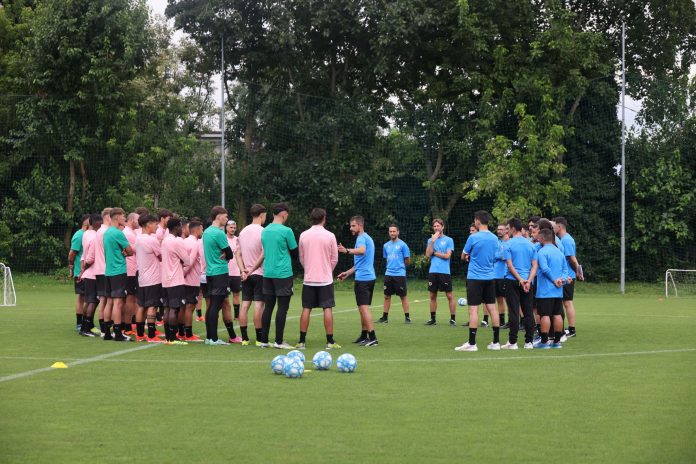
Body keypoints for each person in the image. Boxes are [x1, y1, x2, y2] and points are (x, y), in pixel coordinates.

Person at [296, 208, 340, 349]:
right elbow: (334, 258)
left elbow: (301, 258)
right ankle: (330, 342)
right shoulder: (330, 235)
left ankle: (302, 341)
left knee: (306, 308)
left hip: (309, 279)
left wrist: (308, 269)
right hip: (325, 279)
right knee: (327, 308)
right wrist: (327, 270)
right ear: (324, 218)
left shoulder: (303, 235)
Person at [456, 210, 500, 352]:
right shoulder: (494, 238)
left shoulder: (473, 238)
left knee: (473, 309)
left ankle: (472, 343)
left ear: (477, 221)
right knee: (492, 309)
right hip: (490, 277)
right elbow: (495, 256)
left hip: (475, 278)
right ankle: (496, 342)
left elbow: (463, 256)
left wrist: (469, 257)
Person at [254, 203, 297, 349]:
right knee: (282, 308)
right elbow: (295, 252)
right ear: (284, 214)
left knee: (269, 307)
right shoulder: (287, 231)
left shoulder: (265, 231)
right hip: (283, 274)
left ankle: (264, 340)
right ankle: (279, 341)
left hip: (268, 274)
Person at [338, 215, 378, 346]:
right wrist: (348, 273)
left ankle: (372, 338)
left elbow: (361, 251)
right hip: (368, 277)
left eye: (353, 225)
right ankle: (364, 336)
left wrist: (346, 250)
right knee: (362, 308)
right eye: (351, 225)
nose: (351, 228)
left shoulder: (361, 238)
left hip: (363, 279)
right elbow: (361, 262)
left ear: (360, 226)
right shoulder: (367, 238)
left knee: (364, 308)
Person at [202, 206, 239, 346]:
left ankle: (209, 337)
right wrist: (226, 254)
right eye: (225, 216)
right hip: (219, 273)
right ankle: (214, 338)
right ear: (218, 216)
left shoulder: (206, 232)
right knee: (215, 306)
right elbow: (229, 253)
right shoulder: (218, 233)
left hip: (210, 273)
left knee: (212, 305)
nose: (227, 219)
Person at [501, 218, 537, 349]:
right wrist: (528, 280)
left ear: (512, 228)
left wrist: (520, 280)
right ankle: (529, 342)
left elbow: (510, 266)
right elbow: (534, 266)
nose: (506, 230)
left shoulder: (508, 244)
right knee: (528, 312)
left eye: (507, 228)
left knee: (514, 311)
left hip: (512, 281)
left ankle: (513, 342)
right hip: (528, 282)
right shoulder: (531, 244)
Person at [534, 228, 569, 348]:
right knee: (557, 314)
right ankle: (557, 341)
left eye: (539, 237)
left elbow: (544, 268)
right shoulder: (559, 252)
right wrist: (562, 280)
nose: (537, 239)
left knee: (544, 315)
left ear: (543, 238)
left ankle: (544, 342)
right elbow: (565, 270)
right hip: (558, 290)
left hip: (545, 290)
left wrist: (554, 280)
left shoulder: (542, 252)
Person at [103, 207, 134, 342]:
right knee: (118, 302)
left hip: (109, 270)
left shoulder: (107, 232)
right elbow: (130, 251)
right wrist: (126, 252)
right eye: (123, 216)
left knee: (109, 301)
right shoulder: (117, 233)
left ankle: (107, 332)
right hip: (118, 271)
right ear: (117, 217)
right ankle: (118, 332)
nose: (124, 219)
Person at [238, 204, 267, 346]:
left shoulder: (243, 231)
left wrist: (243, 270)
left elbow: (238, 253)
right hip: (258, 273)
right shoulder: (263, 231)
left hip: (246, 274)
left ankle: (244, 338)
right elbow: (263, 254)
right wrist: (252, 269)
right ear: (262, 215)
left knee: (245, 305)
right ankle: (259, 338)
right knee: (258, 305)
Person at [160, 217, 191, 345]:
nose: (182, 230)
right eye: (180, 227)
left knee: (167, 308)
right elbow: (188, 261)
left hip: (165, 279)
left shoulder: (165, 240)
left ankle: (168, 337)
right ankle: (173, 338)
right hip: (176, 279)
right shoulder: (176, 242)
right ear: (177, 227)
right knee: (175, 309)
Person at [134, 214, 164, 343]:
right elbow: (161, 256)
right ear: (148, 225)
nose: (157, 226)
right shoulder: (152, 240)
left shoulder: (138, 238)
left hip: (142, 277)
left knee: (141, 306)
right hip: (153, 278)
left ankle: (140, 335)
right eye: (155, 223)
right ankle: (151, 335)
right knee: (153, 306)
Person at [553, 216, 583, 338]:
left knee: (567, 303)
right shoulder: (564, 239)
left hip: (568, 276)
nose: (552, 228)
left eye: (554, 226)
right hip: (566, 275)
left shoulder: (565, 240)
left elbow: (571, 258)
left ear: (559, 227)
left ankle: (571, 330)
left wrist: (578, 271)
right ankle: (566, 328)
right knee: (564, 302)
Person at [424, 218, 456, 326]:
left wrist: (435, 253)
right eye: (435, 226)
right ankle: (433, 319)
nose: (436, 228)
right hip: (433, 271)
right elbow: (428, 254)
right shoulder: (430, 240)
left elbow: (447, 256)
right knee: (432, 296)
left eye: (438, 226)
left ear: (442, 227)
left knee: (449, 296)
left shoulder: (449, 240)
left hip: (444, 272)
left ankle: (452, 319)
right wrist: (432, 241)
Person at [378, 224, 411, 324]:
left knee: (403, 296)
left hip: (400, 274)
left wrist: (400, 267)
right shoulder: (385, 245)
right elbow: (386, 259)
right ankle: (384, 317)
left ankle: (407, 317)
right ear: (389, 233)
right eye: (390, 231)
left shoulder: (403, 245)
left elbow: (408, 260)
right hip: (388, 274)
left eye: (394, 231)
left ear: (398, 232)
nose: (392, 233)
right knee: (386, 296)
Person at [77, 214, 102, 337]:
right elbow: (90, 258)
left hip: (88, 273)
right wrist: (83, 270)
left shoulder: (86, 234)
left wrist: (82, 269)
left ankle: (85, 326)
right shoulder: (94, 237)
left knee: (89, 301)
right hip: (93, 273)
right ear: (97, 223)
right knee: (93, 301)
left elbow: (84, 255)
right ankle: (86, 328)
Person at [180, 219, 203, 342]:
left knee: (183, 307)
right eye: (202, 229)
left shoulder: (184, 241)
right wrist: (182, 274)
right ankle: (188, 334)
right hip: (191, 280)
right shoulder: (195, 243)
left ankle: (181, 332)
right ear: (197, 230)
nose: (202, 231)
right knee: (190, 307)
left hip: (184, 280)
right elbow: (190, 261)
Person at [68, 214, 89, 332]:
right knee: (82, 297)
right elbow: (72, 254)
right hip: (80, 272)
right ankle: (79, 323)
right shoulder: (79, 235)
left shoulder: (88, 235)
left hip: (89, 272)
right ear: (86, 222)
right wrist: (71, 268)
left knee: (89, 298)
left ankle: (86, 322)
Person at [94, 208, 112, 337]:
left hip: (100, 268)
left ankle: (104, 327)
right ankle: (104, 328)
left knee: (103, 299)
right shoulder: (105, 231)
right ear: (107, 217)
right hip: (105, 269)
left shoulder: (99, 231)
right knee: (105, 299)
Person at [122, 212, 139, 335]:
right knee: (130, 298)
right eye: (138, 219)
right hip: (130, 270)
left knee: (131, 298)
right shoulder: (127, 233)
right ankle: (127, 326)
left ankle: (127, 324)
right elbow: (133, 248)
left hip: (132, 269)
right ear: (132, 219)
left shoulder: (131, 232)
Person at [224, 220, 244, 320]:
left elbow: (241, 255)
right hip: (225, 272)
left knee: (236, 294)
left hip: (236, 273)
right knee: (225, 297)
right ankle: (227, 315)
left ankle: (237, 316)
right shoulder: (223, 239)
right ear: (226, 228)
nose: (232, 229)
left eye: (234, 228)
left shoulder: (238, 240)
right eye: (231, 227)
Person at [494, 223, 510, 328]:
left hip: (505, 274)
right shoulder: (496, 242)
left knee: (508, 299)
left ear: (506, 231)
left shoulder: (509, 243)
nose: (499, 231)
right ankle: (501, 321)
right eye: (498, 229)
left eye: (501, 229)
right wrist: (499, 256)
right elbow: (493, 255)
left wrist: (498, 256)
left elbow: (505, 257)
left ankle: (512, 320)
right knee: (498, 299)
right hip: (495, 275)